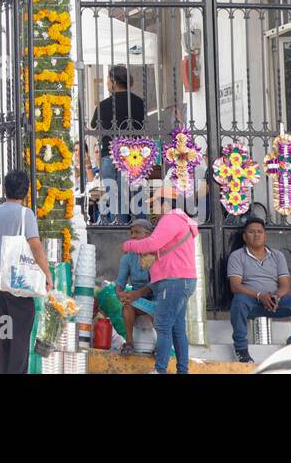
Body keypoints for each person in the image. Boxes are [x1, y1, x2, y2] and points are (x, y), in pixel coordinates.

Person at [0, 169, 54, 374]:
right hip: (19, 286)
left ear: (5, 189)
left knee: (4, 337)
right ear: (26, 191)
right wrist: (47, 275)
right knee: (20, 341)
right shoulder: (26, 214)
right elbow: (35, 246)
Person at [122, 206, 199, 374]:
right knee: (177, 329)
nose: (152, 209)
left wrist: (128, 245)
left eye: (155, 203)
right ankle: (182, 370)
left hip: (173, 281)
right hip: (180, 281)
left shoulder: (170, 219)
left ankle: (160, 370)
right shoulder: (179, 221)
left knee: (163, 326)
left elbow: (152, 243)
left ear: (165, 205)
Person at [227, 218, 291, 363]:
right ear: (244, 236)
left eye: (260, 231)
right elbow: (235, 286)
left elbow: (285, 284)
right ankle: (241, 349)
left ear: (265, 235)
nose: (256, 235)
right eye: (252, 232)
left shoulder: (277, 255)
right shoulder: (237, 256)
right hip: (251, 304)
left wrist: (276, 297)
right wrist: (260, 296)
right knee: (239, 300)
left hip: (275, 303)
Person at [90, 64, 146, 224]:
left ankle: (118, 227)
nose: (107, 82)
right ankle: (141, 228)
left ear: (114, 81)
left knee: (114, 196)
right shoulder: (138, 103)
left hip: (110, 155)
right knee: (136, 194)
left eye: (108, 79)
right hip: (133, 156)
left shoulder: (104, 105)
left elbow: (94, 126)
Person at [115, 218, 156, 356]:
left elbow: (156, 283)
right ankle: (129, 342)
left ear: (148, 235)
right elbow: (120, 282)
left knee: (161, 308)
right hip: (136, 299)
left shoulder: (157, 255)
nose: (133, 236)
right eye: (131, 232)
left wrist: (137, 294)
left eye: (137, 232)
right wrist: (120, 293)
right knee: (127, 304)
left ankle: (161, 345)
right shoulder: (127, 258)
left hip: (155, 298)